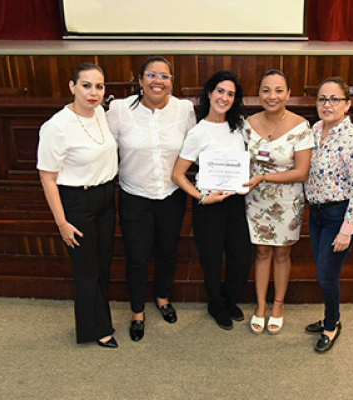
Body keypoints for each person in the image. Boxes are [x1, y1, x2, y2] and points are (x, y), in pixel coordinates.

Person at [106, 56, 196, 342]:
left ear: (172, 82)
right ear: (140, 79)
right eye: (151, 75)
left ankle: (162, 297)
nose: (158, 81)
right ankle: (136, 312)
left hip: (172, 194)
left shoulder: (184, 109)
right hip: (135, 195)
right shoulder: (120, 109)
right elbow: (104, 148)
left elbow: (196, 147)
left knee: (168, 251)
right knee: (137, 256)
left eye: (164, 76)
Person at [37, 63, 119, 348]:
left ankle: (100, 322)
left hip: (106, 199)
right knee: (86, 270)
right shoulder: (56, 126)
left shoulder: (101, 114)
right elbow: (47, 178)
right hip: (77, 202)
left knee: (102, 264)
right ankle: (97, 330)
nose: (93, 92)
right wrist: (62, 223)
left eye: (99, 86)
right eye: (86, 85)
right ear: (72, 87)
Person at [172, 71, 251, 330]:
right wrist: (202, 197)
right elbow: (178, 174)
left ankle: (228, 299)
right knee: (212, 259)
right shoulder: (198, 132)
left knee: (240, 259)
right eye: (220, 91)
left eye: (230, 94)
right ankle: (216, 305)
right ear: (209, 93)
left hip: (236, 203)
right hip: (209, 207)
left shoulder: (240, 127)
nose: (224, 97)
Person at [243, 69, 314, 335]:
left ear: (288, 94)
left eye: (278, 90)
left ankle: (278, 305)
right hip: (255, 198)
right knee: (261, 252)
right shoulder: (247, 124)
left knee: (282, 253)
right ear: (258, 93)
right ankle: (260, 305)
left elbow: (302, 171)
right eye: (265, 90)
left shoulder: (301, 126)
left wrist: (263, 176)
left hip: (287, 201)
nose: (272, 96)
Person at [304, 76, 353, 353]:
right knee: (324, 272)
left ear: (347, 104)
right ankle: (329, 317)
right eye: (322, 99)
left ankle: (332, 324)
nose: (327, 104)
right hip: (316, 214)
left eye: (334, 99)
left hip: (338, 217)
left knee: (326, 277)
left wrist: (347, 229)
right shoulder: (315, 129)